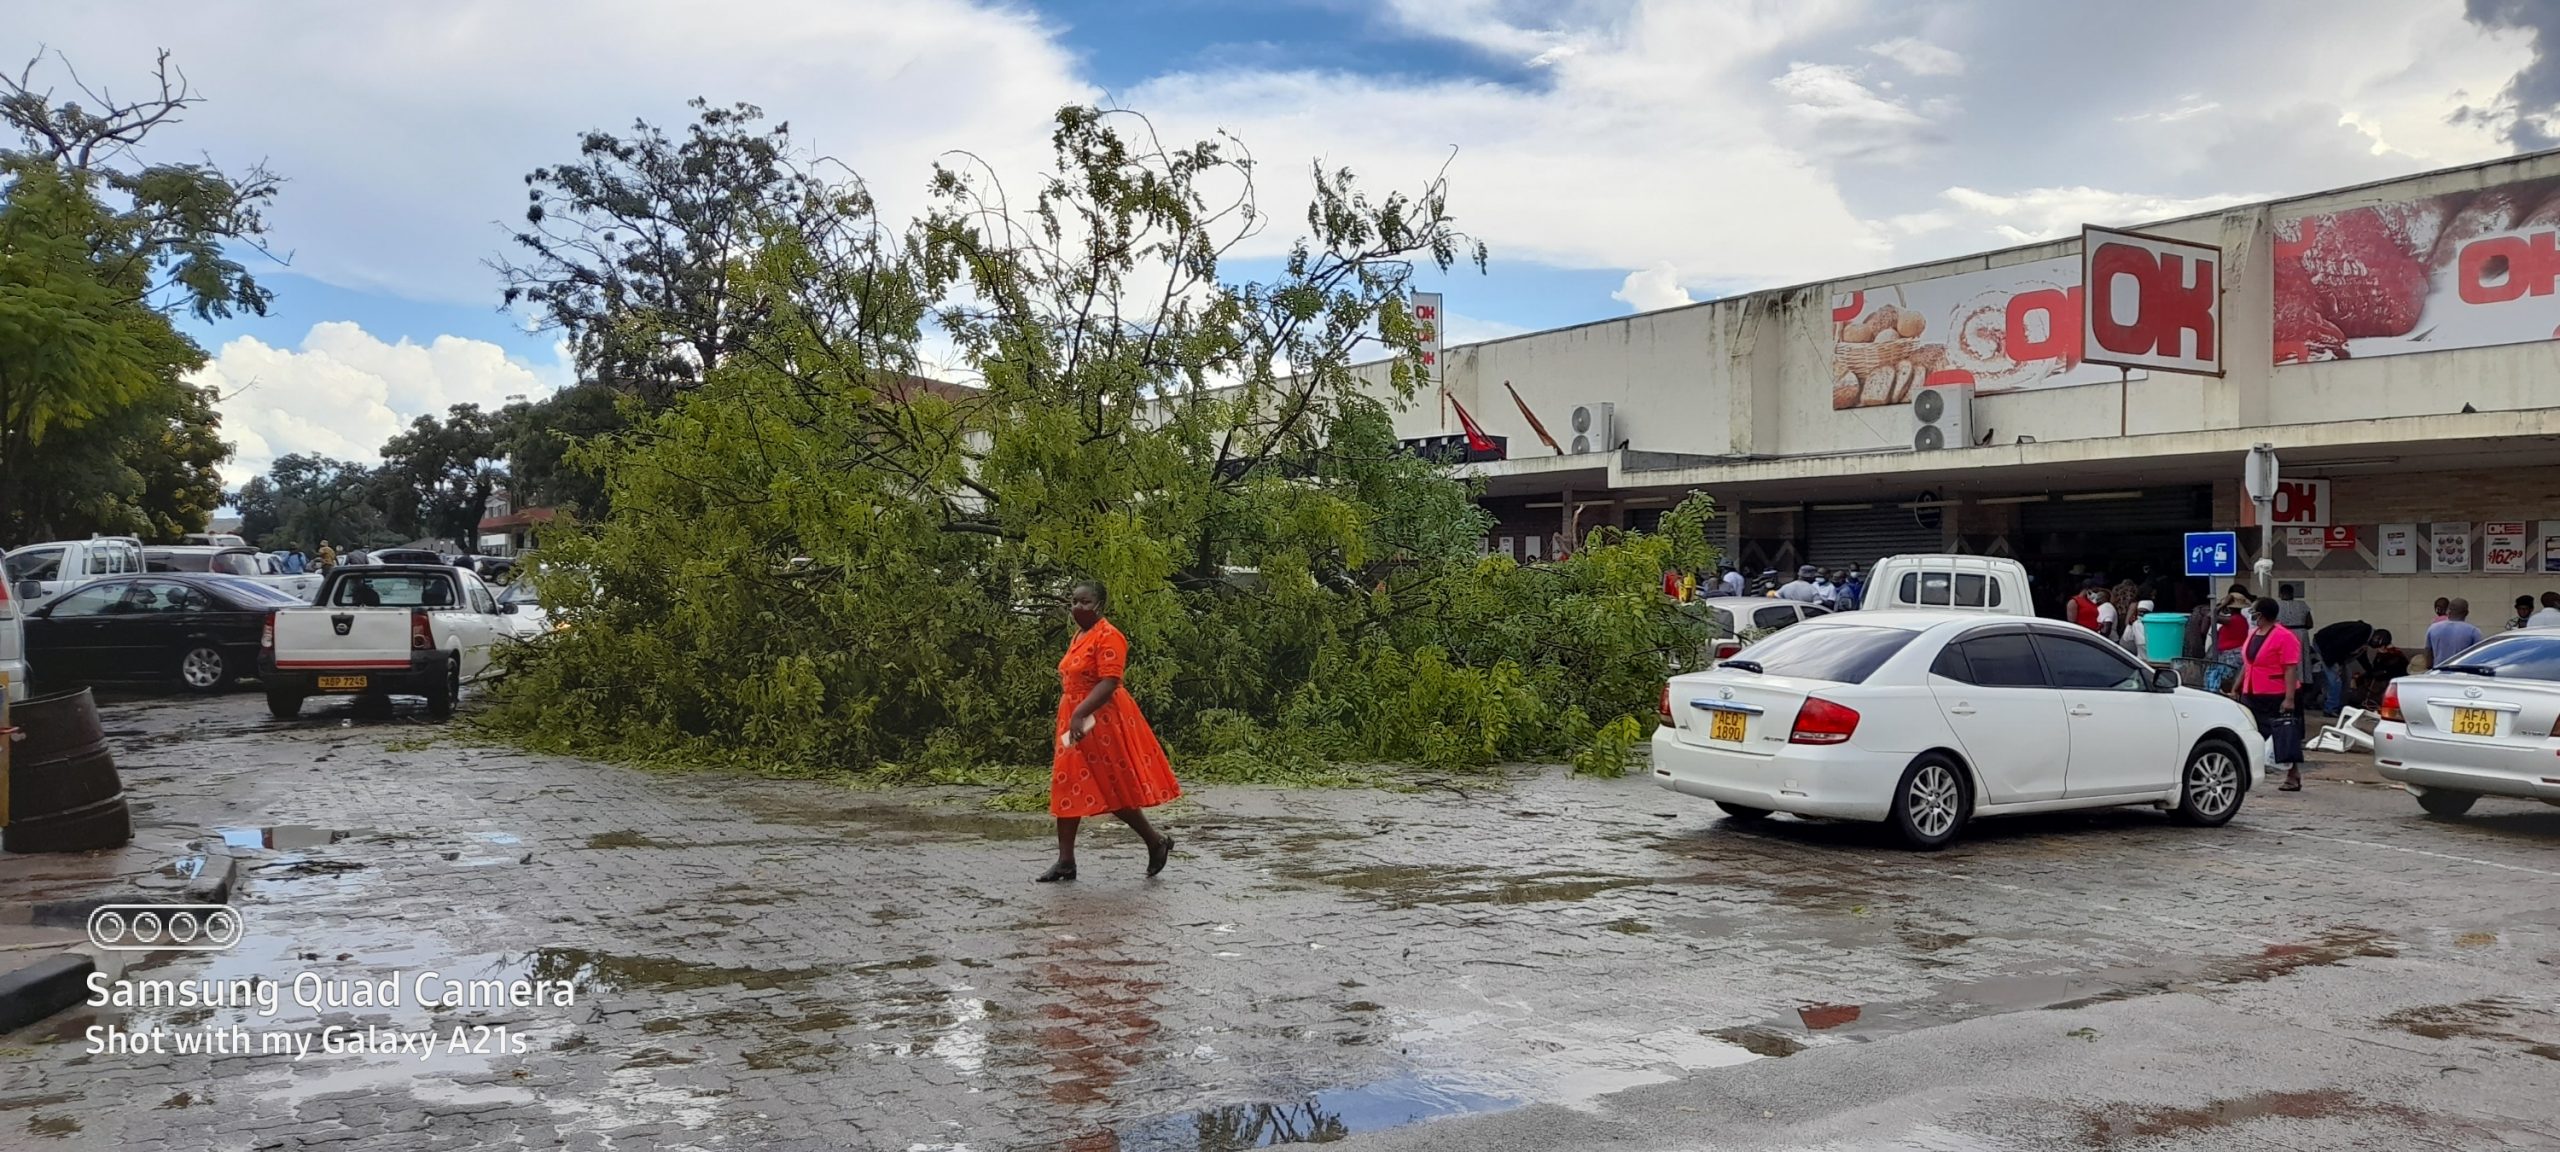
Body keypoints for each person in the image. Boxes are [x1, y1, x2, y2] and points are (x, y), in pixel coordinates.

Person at [1038, 580, 1179, 883]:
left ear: (1099, 605)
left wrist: (1080, 712)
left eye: (1085, 602)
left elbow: (1109, 681)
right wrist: (1073, 714)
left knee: (1111, 788)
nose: (1078, 607)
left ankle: (1155, 842)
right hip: (1076, 719)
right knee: (1067, 781)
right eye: (1074, 601)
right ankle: (1065, 861)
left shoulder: (1110, 636)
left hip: (1099, 720)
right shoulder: (1080, 635)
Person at [2232, 597, 2305, 791]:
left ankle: (2293, 774)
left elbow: (2290, 669)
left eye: (2254, 611)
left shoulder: (2285, 636)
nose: (2252, 615)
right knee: (2250, 731)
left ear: (2261, 615)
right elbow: (2248, 664)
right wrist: (2236, 687)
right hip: (2252, 691)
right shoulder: (2254, 633)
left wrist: (2289, 699)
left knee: (2283, 733)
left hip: (2277, 693)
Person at [2311, 618, 2373, 715]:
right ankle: (2330, 708)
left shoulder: (2364, 636)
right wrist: (2336, 664)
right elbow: (2337, 645)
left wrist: (2369, 670)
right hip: (2326, 647)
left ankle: (2340, 707)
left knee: (2346, 677)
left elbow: (2361, 656)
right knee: (2335, 680)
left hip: (2332, 648)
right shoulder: (2360, 633)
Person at [2348, 630, 2410, 710]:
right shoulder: (2385, 654)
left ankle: (2369, 701)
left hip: (2390, 679)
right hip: (2385, 676)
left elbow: (2389, 671)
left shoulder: (2394, 655)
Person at [2424, 598, 2483, 669]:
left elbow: (2428, 654)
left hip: (2438, 672)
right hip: (2461, 673)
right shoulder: (2473, 631)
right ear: (2466, 613)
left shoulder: (2433, 628)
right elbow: (2479, 655)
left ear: (2448, 611)